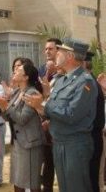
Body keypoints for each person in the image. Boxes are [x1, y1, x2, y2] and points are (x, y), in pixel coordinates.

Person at [25, 38, 97, 192]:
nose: (56, 53)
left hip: (75, 144)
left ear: (70, 56)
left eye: (60, 51)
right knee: (65, 187)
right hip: (59, 142)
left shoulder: (85, 82)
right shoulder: (62, 80)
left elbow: (71, 115)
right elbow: (55, 109)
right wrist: (39, 107)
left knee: (77, 187)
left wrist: (44, 105)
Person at [0, 63, 45, 192]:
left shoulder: (32, 93)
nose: (15, 71)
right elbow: (10, 117)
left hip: (29, 144)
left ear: (26, 77)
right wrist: (2, 107)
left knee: (31, 182)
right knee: (18, 181)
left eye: (19, 70)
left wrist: (6, 106)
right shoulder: (17, 91)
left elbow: (22, 119)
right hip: (18, 142)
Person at [37, 38, 61, 192]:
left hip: (60, 129)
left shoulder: (65, 74)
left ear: (59, 51)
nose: (47, 52)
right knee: (47, 166)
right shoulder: (41, 71)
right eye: (46, 49)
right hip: (45, 130)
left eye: (50, 49)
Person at [83, 52, 105, 192]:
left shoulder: (89, 84)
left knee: (92, 180)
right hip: (90, 137)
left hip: (92, 137)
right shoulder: (89, 82)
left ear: (83, 64)